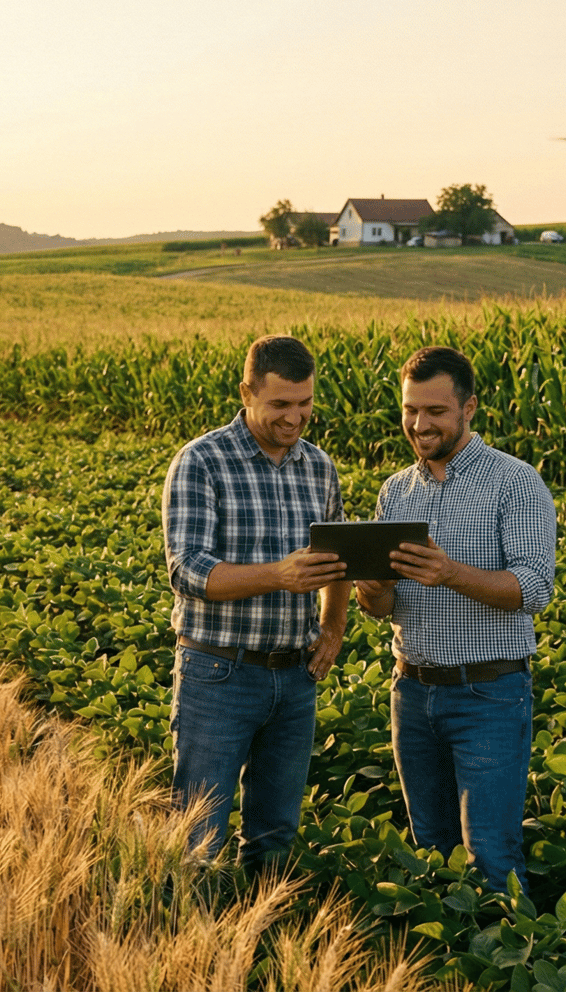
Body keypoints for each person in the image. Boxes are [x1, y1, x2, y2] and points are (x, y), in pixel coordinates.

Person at [355, 346, 557, 893]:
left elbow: (534, 589)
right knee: (431, 851)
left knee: (491, 854)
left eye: (435, 411)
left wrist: (450, 573)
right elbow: (383, 608)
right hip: (411, 691)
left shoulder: (514, 482)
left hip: (488, 695)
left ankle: (510, 945)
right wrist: (374, 591)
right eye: (410, 410)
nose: (419, 425)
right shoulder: (396, 490)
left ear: (469, 409)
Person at [162, 334, 349, 868]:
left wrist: (333, 626)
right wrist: (278, 575)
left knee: (276, 834)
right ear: (246, 393)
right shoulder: (202, 461)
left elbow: (340, 554)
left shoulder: (318, 466)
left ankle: (262, 917)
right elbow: (187, 570)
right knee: (198, 837)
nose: (295, 417)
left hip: (295, 677)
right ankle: (194, 923)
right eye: (280, 403)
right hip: (219, 673)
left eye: (305, 403)